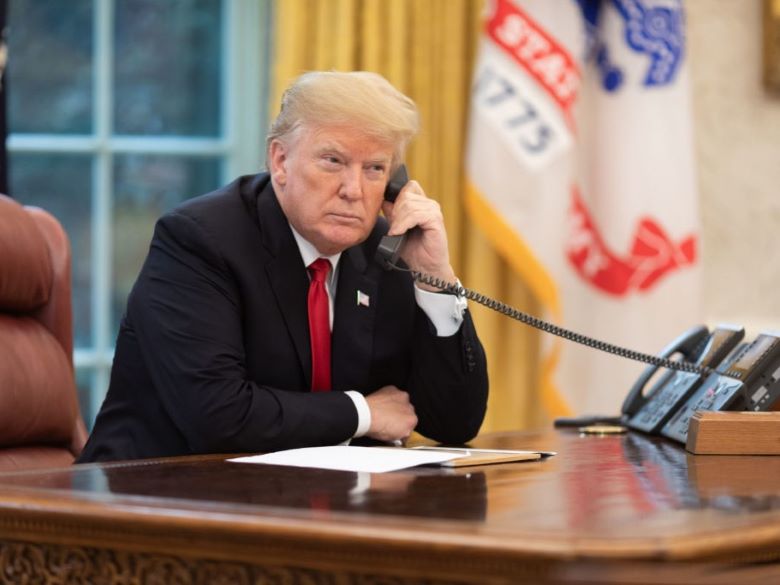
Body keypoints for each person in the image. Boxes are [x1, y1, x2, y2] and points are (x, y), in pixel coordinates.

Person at [78, 71, 488, 463]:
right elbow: (218, 416)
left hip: (307, 503)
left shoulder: (387, 251)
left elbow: (454, 422)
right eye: (332, 161)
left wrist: (436, 279)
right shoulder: (200, 241)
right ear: (280, 160)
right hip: (148, 499)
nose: (353, 191)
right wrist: (363, 412)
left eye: (375, 169)